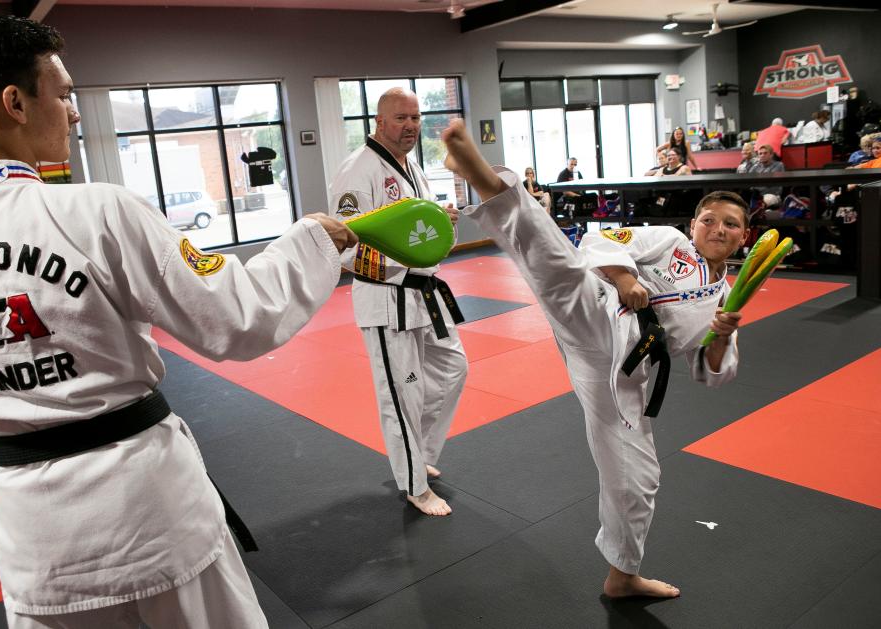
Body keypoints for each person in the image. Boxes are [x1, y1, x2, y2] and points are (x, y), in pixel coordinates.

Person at [0, 15, 357, 628]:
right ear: (15, 103)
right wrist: (311, 239)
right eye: (66, 94)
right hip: (149, 511)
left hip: (36, 539)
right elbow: (236, 319)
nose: (74, 113)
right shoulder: (97, 211)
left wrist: (24, 410)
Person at [441, 118, 745, 599]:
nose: (718, 229)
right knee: (557, 264)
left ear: (743, 237)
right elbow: (602, 242)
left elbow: (711, 375)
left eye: (730, 224)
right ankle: (483, 177)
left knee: (639, 478)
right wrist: (626, 281)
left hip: (626, 377)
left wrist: (723, 336)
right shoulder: (668, 239)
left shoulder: (726, 298)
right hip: (602, 314)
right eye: (709, 220)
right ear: (693, 225)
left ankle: (622, 576)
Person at [328, 88, 466, 517]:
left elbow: (413, 224)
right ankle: (414, 484)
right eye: (401, 118)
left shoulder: (412, 167)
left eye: (416, 117)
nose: (410, 126)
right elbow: (346, 245)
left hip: (424, 292)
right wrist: (405, 265)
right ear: (379, 121)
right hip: (388, 299)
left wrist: (440, 221)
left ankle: (418, 452)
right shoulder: (358, 171)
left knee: (452, 367)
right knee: (400, 395)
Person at [745, 143, 786, 208]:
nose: (762, 155)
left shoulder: (779, 165)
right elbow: (748, 180)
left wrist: (755, 188)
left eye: (765, 153)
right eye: (760, 154)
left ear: (771, 155)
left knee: (765, 200)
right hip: (756, 194)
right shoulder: (756, 166)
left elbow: (771, 184)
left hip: (772, 195)